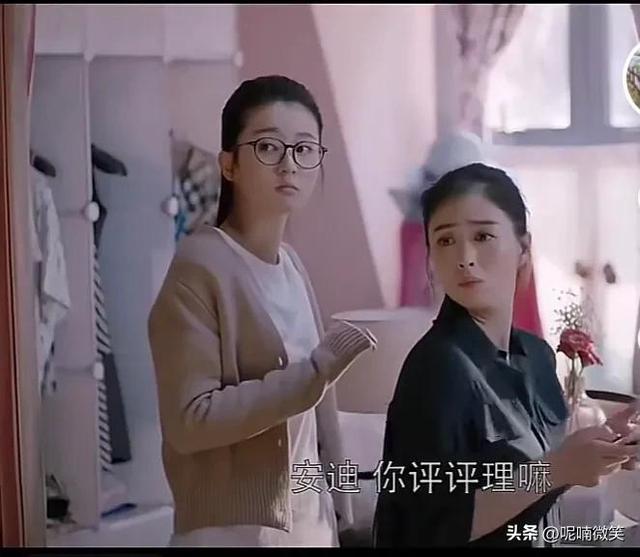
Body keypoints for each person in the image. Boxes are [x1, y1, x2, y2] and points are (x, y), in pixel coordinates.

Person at [148, 75, 377, 547]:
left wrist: (341, 507)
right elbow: (190, 420)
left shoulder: (291, 265)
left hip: (310, 528)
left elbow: (319, 417)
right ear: (229, 164)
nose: (289, 164)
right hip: (231, 535)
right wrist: (313, 373)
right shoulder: (198, 268)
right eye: (268, 146)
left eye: (304, 149)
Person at [373, 163, 639, 547]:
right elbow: (427, 528)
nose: (465, 257)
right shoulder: (436, 367)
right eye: (445, 240)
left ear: (523, 248)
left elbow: (534, 482)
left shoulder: (536, 356)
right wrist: (558, 468)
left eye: (482, 235)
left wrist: (603, 446)